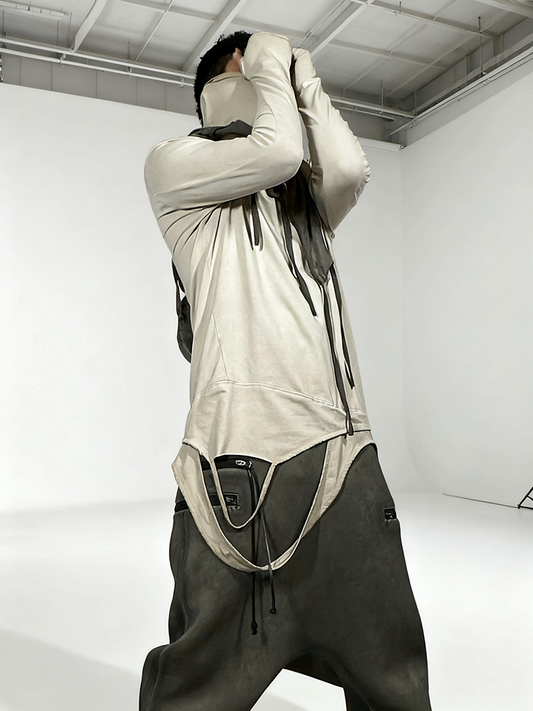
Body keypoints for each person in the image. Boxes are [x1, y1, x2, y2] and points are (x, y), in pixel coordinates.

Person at [140, 30, 432, 711]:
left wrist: (304, 78)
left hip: (345, 457)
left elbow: (348, 168)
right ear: (226, 83)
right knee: (197, 691)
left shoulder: (302, 206)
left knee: (392, 679)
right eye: (260, 72)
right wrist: (272, 51)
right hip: (239, 465)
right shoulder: (176, 166)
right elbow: (276, 150)